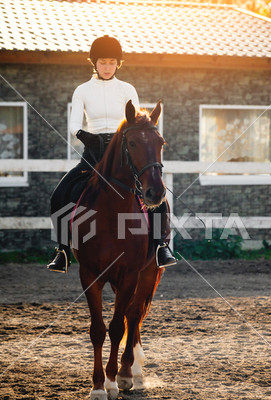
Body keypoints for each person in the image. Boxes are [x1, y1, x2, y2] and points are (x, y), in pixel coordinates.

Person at [47, 35, 177, 273]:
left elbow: (136, 120)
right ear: (94, 63)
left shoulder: (127, 89)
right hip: (93, 151)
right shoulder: (82, 90)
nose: (107, 67)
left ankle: (161, 246)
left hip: (124, 150)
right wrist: (84, 135)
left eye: (111, 62)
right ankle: (63, 250)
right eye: (102, 62)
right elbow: (74, 122)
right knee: (60, 194)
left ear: (118, 63)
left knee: (159, 196)